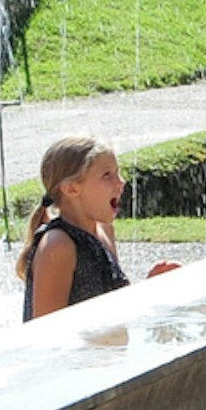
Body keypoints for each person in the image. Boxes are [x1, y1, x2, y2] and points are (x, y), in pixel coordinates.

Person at [20, 135, 131, 319]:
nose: (121, 182)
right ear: (71, 189)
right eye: (107, 175)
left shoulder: (104, 232)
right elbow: (45, 332)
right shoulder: (58, 245)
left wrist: (152, 286)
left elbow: (115, 308)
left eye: (117, 172)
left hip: (106, 347)